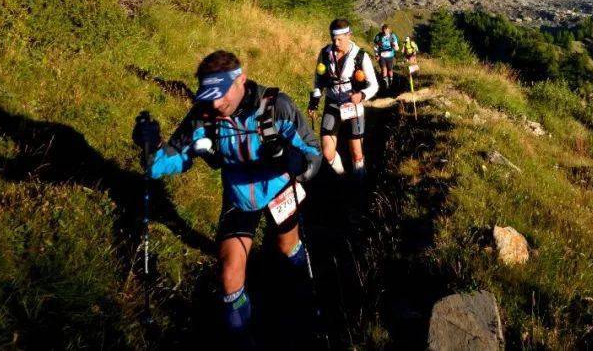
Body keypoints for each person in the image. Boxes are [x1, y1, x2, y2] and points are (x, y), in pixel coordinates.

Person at [131, 50, 322, 342]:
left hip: (279, 189)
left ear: (241, 80)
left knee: (287, 248)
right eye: (209, 96)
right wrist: (150, 146)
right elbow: (166, 161)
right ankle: (244, 339)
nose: (217, 103)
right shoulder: (203, 116)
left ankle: (303, 301)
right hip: (238, 198)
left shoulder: (276, 107)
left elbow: (312, 152)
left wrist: (299, 164)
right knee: (229, 274)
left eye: (221, 94)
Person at [309, 19, 379, 178]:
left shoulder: (361, 56)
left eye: (340, 39)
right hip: (332, 103)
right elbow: (318, 81)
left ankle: (359, 185)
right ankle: (342, 177)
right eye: (333, 39)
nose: (336, 42)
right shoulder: (325, 54)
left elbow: (374, 85)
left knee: (356, 152)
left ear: (349, 35)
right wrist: (314, 103)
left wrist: (361, 95)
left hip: (353, 106)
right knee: (327, 152)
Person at [372, 23, 399, 90]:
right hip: (382, 55)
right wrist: (376, 55)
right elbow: (376, 47)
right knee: (384, 70)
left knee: (390, 70)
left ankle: (391, 81)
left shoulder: (392, 37)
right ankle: (386, 85)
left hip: (390, 55)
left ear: (389, 30)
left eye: (387, 30)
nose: (385, 32)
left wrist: (394, 46)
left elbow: (397, 48)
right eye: (384, 30)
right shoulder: (379, 37)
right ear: (382, 30)